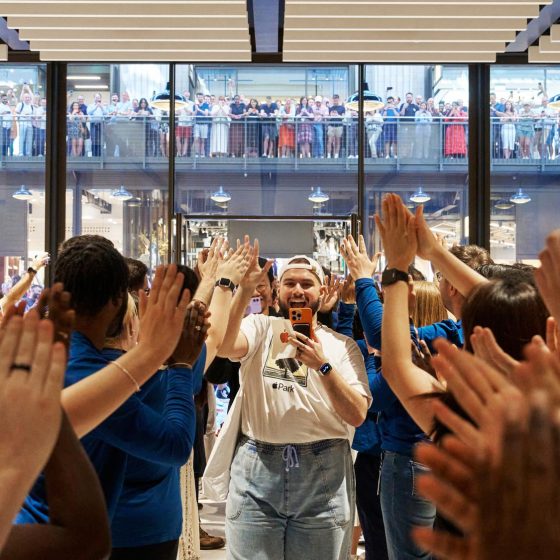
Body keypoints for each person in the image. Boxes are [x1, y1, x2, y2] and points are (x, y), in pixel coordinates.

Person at [215, 245, 371, 560]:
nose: (298, 290)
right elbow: (225, 345)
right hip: (257, 470)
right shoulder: (260, 327)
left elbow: (356, 415)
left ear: (322, 289)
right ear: (277, 289)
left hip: (323, 472)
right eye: (290, 283)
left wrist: (323, 367)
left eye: (306, 283)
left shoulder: (342, 346)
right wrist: (243, 291)